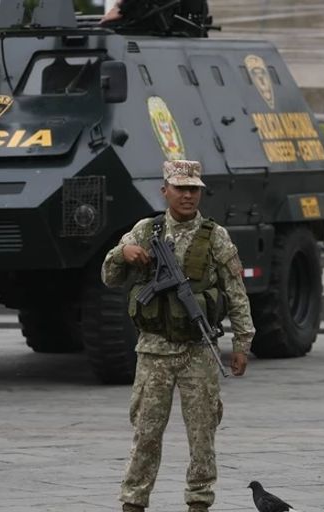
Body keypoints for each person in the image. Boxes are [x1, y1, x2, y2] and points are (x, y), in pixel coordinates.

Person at [101, 160, 254, 512]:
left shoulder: (215, 236)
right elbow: (109, 277)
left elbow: (236, 292)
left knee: (202, 436)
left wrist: (242, 343)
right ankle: (134, 501)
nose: (187, 195)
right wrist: (122, 254)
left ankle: (199, 501)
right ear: (165, 190)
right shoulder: (145, 230)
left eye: (194, 189)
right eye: (180, 188)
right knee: (145, 434)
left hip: (198, 351)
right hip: (154, 352)